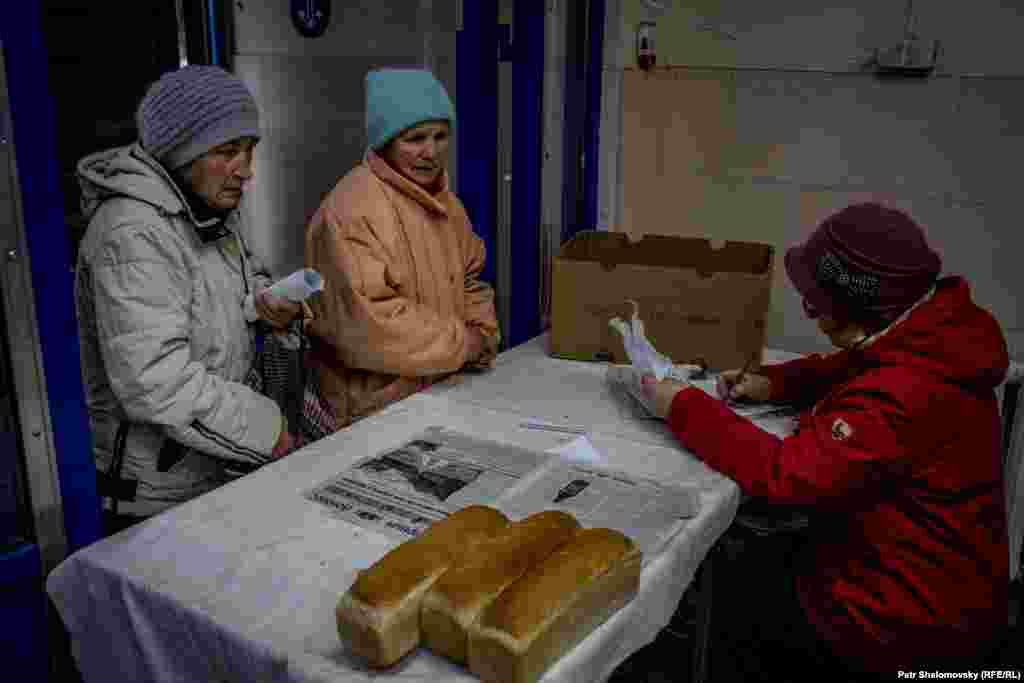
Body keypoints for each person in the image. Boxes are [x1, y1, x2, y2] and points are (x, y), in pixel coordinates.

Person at [639, 203, 1009, 677]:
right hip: (942, 589)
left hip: (901, 626)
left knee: (727, 585)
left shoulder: (904, 393)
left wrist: (682, 405)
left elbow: (786, 474)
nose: (810, 313)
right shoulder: (931, 332)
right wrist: (774, 383)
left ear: (857, 314)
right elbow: (850, 366)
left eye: (818, 304)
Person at [75, 65, 303, 533]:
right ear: (182, 152)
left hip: (209, 465)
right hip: (154, 494)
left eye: (249, 150)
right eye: (227, 151)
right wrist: (268, 429)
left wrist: (265, 303)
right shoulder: (133, 233)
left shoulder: (205, 209)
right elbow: (157, 383)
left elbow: (230, 285)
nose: (246, 170)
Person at [304, 68, 499, 427]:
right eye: (415, 138)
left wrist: (482, 333)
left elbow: (471, 280)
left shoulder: (448, 206)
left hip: (443, 388)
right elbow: (368, 322)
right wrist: (463, 344)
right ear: (385, 141)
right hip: (373, 408)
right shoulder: (350, 209)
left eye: (440, 136)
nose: (431, 152)